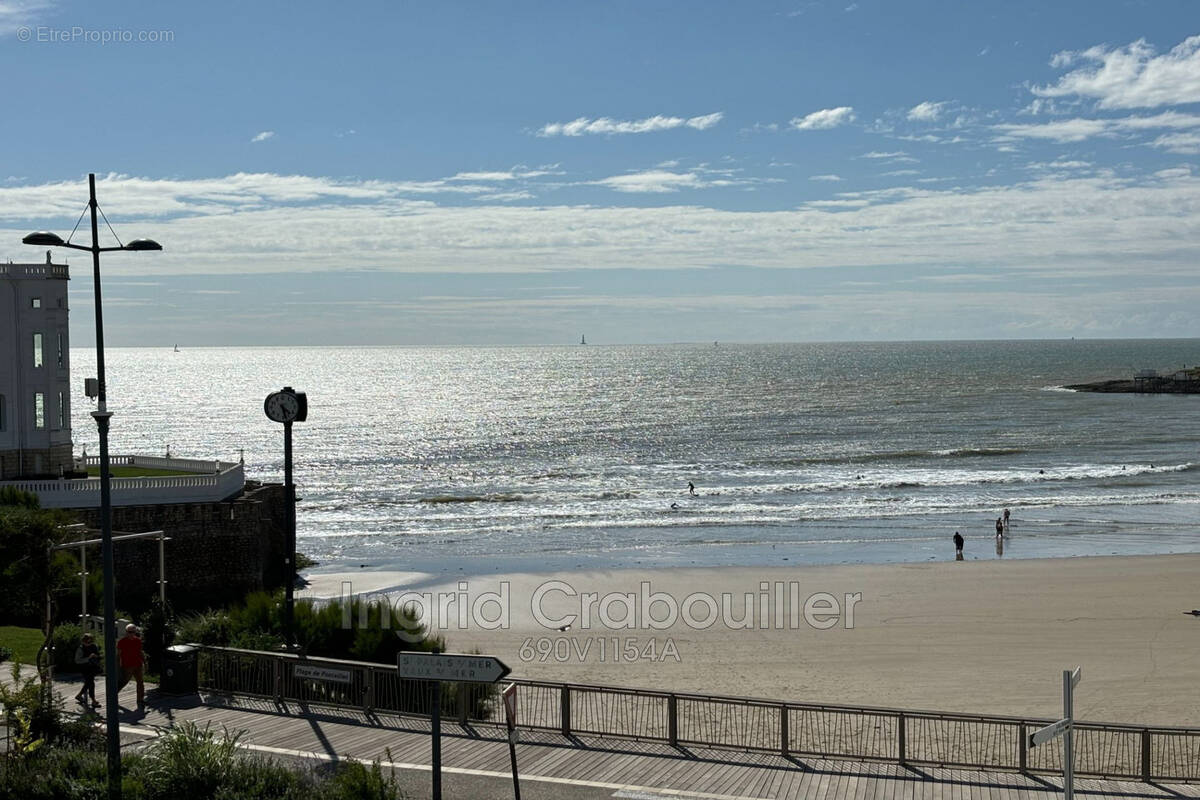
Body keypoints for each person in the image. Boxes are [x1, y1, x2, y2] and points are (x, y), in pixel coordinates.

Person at [116, 623, 146, 708]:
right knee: (123, 682)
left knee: (140, 682)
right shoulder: (122, 642)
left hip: (138, 664)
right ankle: (113, 695)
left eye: (133, 632)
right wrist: (118, 666)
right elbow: (118, 655)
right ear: (126, 632)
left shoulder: (138, 641)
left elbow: (140, 652)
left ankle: (140, 699)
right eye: (129, 632)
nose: (131, 634)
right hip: (127, 665)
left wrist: (145, 662)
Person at [74, 633, 101, 707]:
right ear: (83, 641)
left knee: (88, 683)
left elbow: (98, 655)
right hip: (84, 668)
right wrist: (88, 658)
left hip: (92, 667)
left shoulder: (94, 646)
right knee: (91, 683)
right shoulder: (80, 648)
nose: (89, 643)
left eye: (90, 641)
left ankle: (79, 695)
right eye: (87, 642)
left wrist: (96, 656)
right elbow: (77, 660)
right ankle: (93, 700)